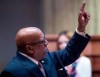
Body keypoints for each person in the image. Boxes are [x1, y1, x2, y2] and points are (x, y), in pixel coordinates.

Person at [0, 2, 90, 77]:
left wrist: (81, 28)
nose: (47, 43)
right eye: (43, 41)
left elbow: (69, 53)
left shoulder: (47, 58)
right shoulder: (12, 72)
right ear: (29, 49)